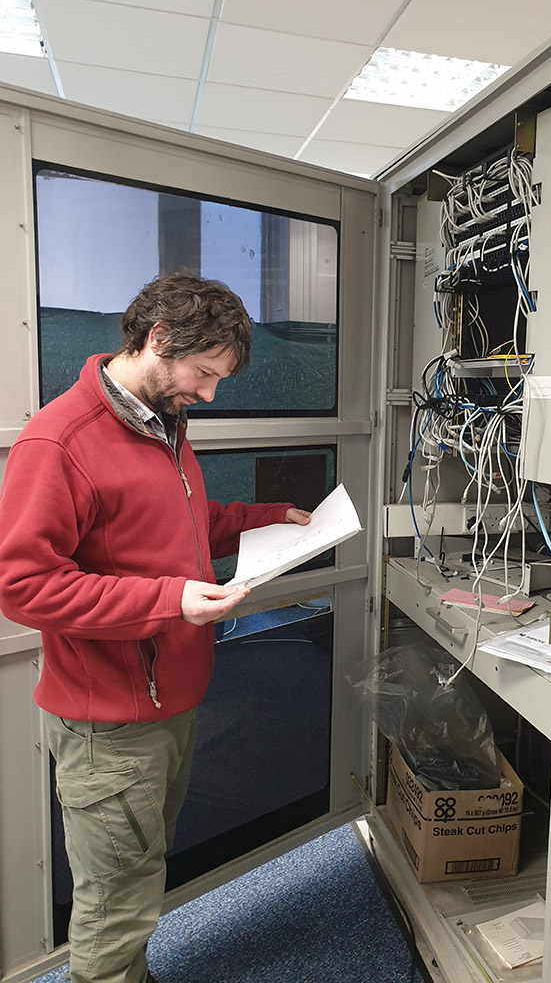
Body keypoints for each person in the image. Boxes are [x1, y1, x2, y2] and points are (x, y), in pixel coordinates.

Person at [0, 272, 311, 983]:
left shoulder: (163, 424)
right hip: (109, 721)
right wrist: (169, 601)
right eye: (203, 374)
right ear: (157, 339)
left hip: (170, 700)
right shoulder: (60, 442)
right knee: (116, 902)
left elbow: (181, 528)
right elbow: (22, 586)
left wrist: (270, 519)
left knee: (137, 875)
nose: (207, 394)